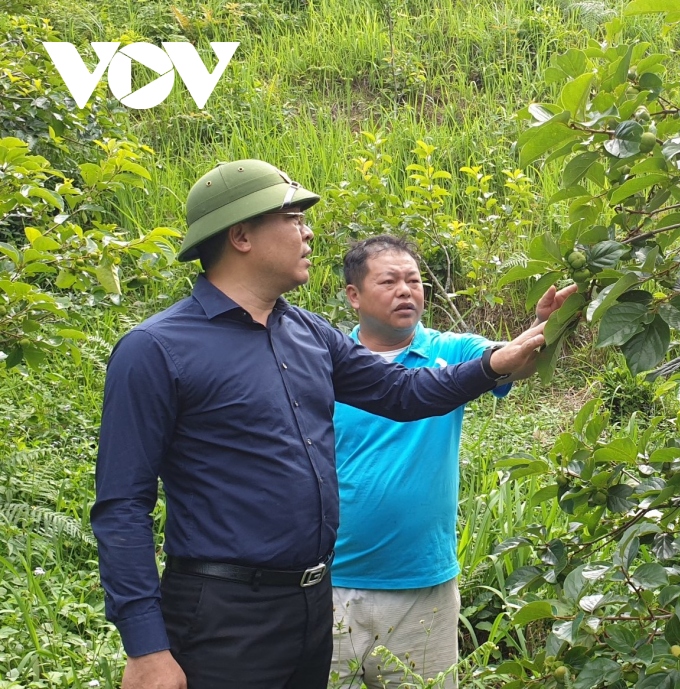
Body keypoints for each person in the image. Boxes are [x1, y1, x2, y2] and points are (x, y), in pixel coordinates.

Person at [92, 160, 559, 689]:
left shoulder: (307, 332)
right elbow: (122, 505)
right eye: (292, 217)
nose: (308, 231)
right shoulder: (156, 349)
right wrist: (146, 647)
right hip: (225, 614)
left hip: (312, 603)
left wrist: (496, 362)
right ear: (241, 235)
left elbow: (400, 392)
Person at [328, 236, 575, 688]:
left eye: (414, 280)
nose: (406, 290)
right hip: (325, 581)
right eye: (389, 280)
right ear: (353, 295)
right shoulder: (322, 362)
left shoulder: (451, 351)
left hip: (421, 586)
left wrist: (546, 325)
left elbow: (509, 362)